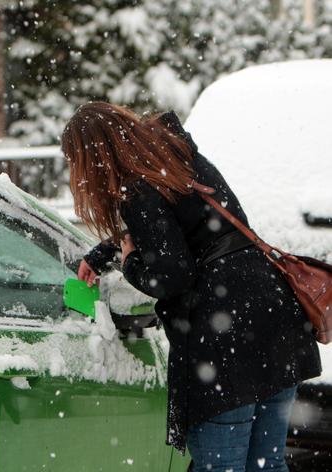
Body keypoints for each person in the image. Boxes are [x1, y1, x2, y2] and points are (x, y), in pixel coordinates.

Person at [62, 102, 321, 472]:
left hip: (227, 343)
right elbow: (189, 227)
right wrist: (107, 251)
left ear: (94, 159)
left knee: (222, 467)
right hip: (275, 321)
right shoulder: (178, 157)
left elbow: (171, 275)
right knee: (267, 465)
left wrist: (131, 262)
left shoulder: (137, 190)